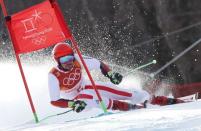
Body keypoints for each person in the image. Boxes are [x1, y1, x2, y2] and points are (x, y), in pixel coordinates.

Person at [48, 42, 184, 113]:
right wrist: (72, 104)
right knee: (94, 99)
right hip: (76, 98)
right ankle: (127, 108)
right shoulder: (53, 75)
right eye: (64, 59)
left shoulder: (77, 60)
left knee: (124, 92)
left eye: (70, 57)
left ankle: (162, 101)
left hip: (86, 85)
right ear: (57, 60)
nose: (69, 61)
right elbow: (54, 101)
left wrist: (111, 74)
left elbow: (99, 64)